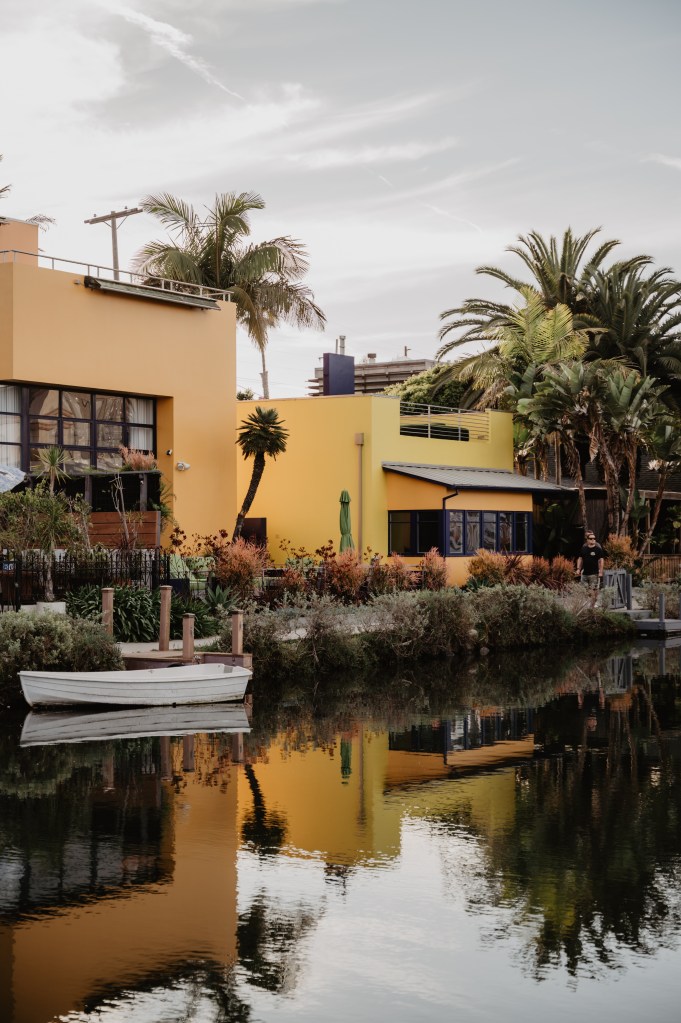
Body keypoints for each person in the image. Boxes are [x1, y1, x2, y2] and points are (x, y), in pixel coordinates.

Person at [576, 531, 605, 603]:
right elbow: (580, 558)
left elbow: (601, 560)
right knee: (584, 589)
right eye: (591, 539)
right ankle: (586, 603)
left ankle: (593, 604)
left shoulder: (598, 549)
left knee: (593, 590)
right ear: (587, 540)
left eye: (594, 538)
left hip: (594, 573)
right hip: (585, 573)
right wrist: (578, 569)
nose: (593, 540)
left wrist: (600, 571)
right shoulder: (584, 548)